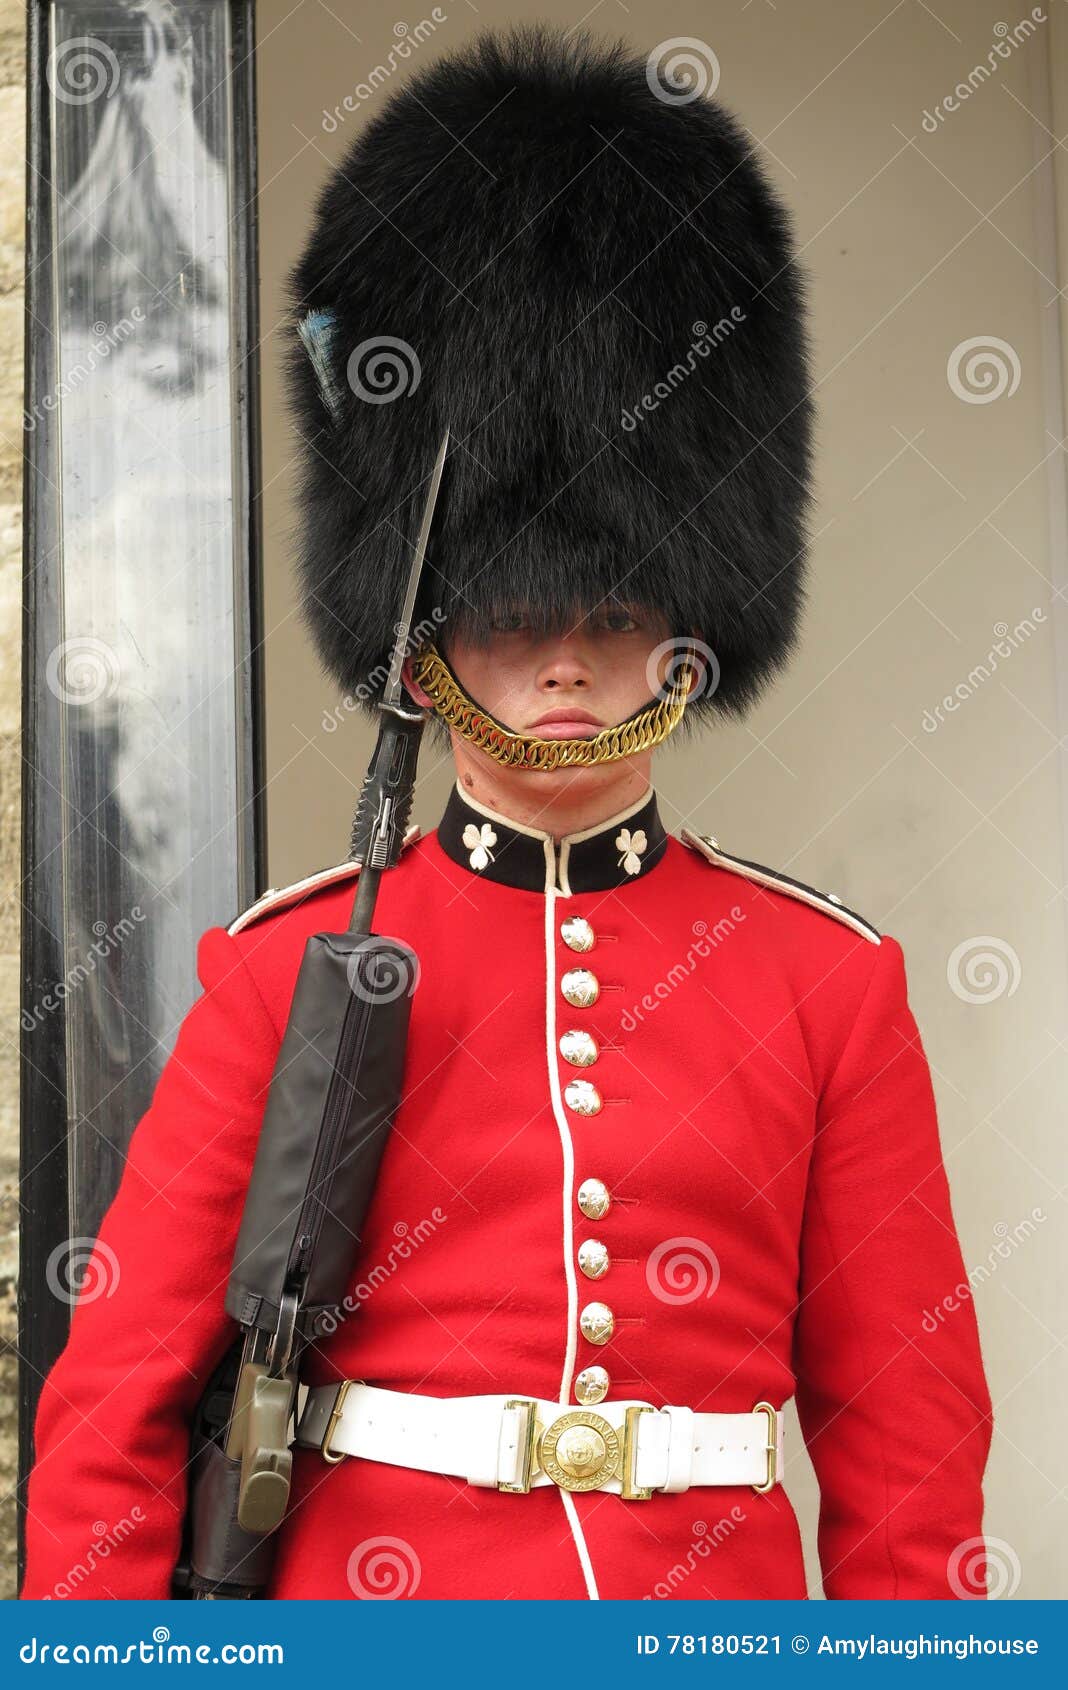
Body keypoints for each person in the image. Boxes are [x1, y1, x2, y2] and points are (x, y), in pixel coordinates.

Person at [20, 24, 993, 1602]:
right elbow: (112, 1414)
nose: (558, 661)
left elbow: (911, 1455)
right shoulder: (281, 975)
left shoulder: (829, 986)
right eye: (507, 610)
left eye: (610, 611)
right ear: (426, 636)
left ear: (687, 621)